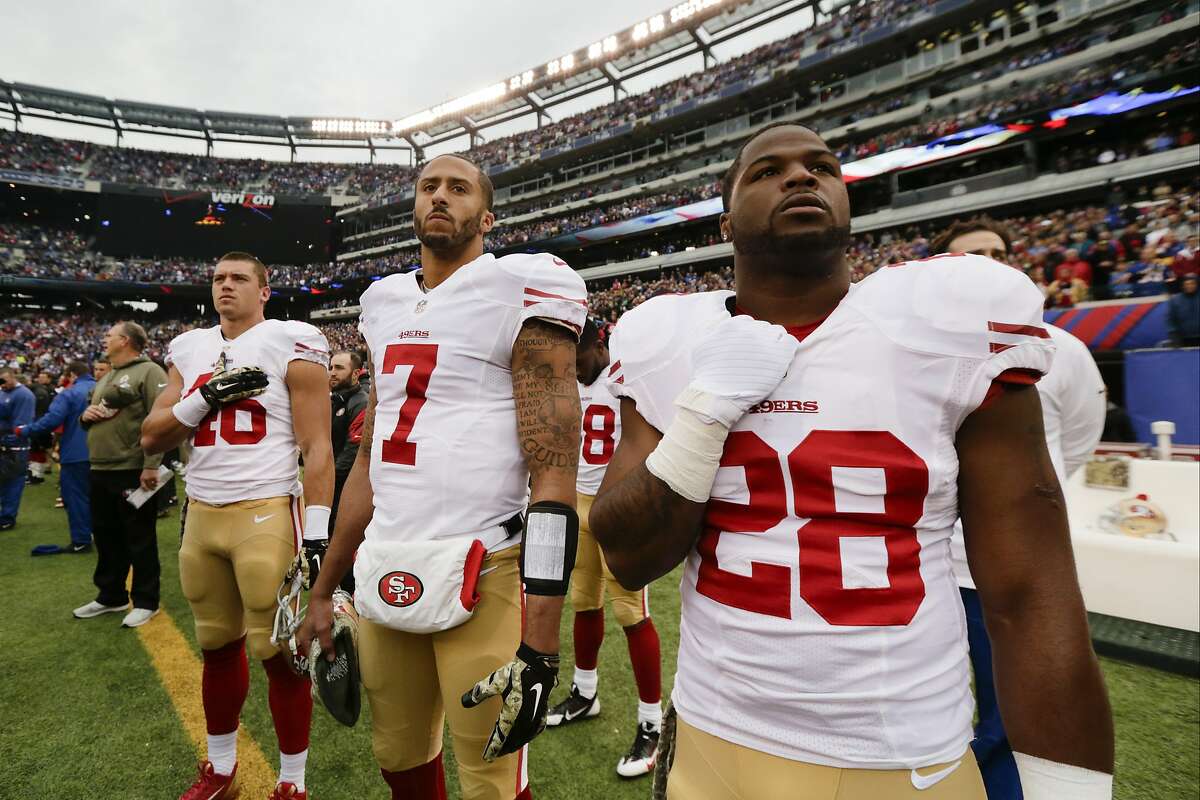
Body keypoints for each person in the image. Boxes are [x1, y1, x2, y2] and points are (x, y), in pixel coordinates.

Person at [590, 122, 1114, 800]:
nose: (802, 177)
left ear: (847, 202)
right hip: (711, 733)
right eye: (766, 171)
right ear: (727, 220)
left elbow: (1028, 594)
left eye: (822, 167)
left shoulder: (947, 324)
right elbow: (629, 557)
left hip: (896, 757)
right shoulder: (669, 340)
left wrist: (1069, 791)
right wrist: (706, 409)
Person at [298, 153, 587, 800]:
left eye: (458, 188)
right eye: (429, 186)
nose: (440, 196)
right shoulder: (384, 300)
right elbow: (373, 456)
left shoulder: (522, 285)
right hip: (386, 563)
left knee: (492, 781)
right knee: (399, 759)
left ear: (485, 216)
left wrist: (540, 638)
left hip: (487, 564)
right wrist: (324, 588)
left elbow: (553, 464)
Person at [141, 251, 334, 800]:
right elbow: (152, 437)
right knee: (216, 648)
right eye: (219, 277)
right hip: (201, 516)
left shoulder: (290, 338)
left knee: (280, 655)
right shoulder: (189, 347)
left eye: (239, 278)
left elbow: (317, 445)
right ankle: (221, 771)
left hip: (265, 511)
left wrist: (317, 533)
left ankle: (292, 782)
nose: (226, 286)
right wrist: (203, 398)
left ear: (265, 290)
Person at [932, 217, 1108, 800]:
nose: (988, 265)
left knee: (1019, 723)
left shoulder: (1063, 350)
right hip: (930, 569)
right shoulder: (912, 359)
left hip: (1017, 573)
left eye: (997, 254)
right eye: (970, 259)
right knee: (926, 713)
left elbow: (1078, 439)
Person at [545, 317, 663, 778]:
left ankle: (652, 724)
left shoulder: (626, 380)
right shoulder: (570, 384)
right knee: (583, 602)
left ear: (598, 345)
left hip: (618, 508)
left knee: (632, 613)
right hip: (579, 504)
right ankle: (585, 692)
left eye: (576, 360)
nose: (571, 370)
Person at [71, 322, 167, 626]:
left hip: (132, 469)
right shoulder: (108, 374)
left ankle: (146, 601)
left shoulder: (150, 371)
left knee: (139, 537)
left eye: (109, 335)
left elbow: (161, 418)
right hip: (100, 467)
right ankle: (110, 596)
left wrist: (151, 464)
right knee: (106, 535)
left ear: (125, 340)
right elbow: (93, 417)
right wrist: (84, 417)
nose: (104, 339)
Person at [15, 361, 96, 553]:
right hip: (104, 452)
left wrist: (25, 430)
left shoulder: (70, 393)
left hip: (76, 453)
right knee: (99, 497)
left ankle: (82, 540)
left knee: (75, 497)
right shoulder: (102, 388)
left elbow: (51, 420)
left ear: (72, 375)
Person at [329, 350, 368, 517]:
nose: (332, 373)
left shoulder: (361, 403)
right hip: (329, 481)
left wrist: (328, 479)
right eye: (330, 367)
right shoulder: (332, 399)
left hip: (344, 486)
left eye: (339, 368)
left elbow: (353, 450)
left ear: (356, 374)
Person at [0, 367, 35, 531]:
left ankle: (7, 518)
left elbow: (21, 426)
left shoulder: (24, 395)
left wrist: (7, 440)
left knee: (12, 482)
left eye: (4, 381)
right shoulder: (4, 392)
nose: (2, 385)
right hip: (5, 443)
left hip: (15, 447)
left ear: (13, 377)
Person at [27, 370, 54, 484]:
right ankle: (38, 473)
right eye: (40, 377)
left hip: (43, 422)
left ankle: (38, 474)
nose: (41, 379)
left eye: (44, 377)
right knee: (39, 448)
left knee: (42, 448)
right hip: (42, 422)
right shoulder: (39, 390)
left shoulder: (48, 391)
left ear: (49, 379)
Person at [1167, 273, 1200, 346]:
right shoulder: (1175, 300)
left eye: (1192, 283)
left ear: (1197, 284)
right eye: (1186, 284)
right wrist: (1174, 334)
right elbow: (1170, 320)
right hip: (1183, 339)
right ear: (1183, 285)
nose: (1189, 286)